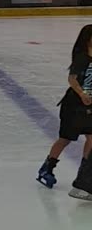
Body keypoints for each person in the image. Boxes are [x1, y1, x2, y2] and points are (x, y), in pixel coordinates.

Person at [37, 24, 92, 201]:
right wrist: (82, 93)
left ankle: (84, 176)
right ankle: (48, 167)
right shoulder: (82, 58)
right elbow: (72, 79)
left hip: (89, 105)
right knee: (66, 138)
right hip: (74, 105)